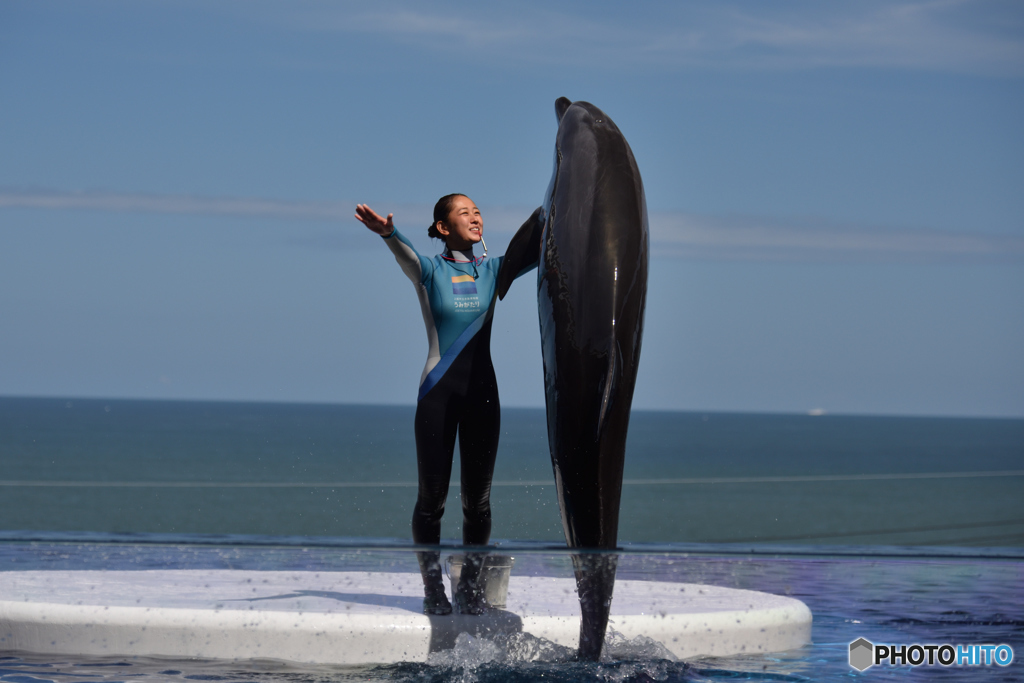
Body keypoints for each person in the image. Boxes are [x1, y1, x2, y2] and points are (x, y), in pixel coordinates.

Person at [354, 195, 534, 615]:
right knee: (431, 501)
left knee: (479, 502)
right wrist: (388, 233)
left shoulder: (493, 270)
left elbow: (540, 247)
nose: (475, 216)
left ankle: (470, 585)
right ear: (442, 227)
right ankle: (433, 585)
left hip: (483, 396)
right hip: (438, 394)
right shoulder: (431, 270)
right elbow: (407, 257)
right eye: (463, 212)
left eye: (477, 211)